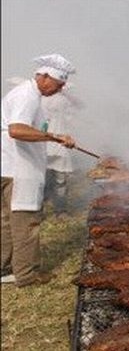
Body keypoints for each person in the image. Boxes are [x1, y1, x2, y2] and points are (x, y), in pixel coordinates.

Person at [1, 54, 77, 287]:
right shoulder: (28, 95)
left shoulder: (28, 94)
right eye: (59, 83)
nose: (62, 88)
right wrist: (54, 137)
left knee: (5, 221)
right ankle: (27, 275)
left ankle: (4, 269)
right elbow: (17, 130)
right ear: (44, 77)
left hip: (8, 166)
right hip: (19, 169)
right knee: (27, 222)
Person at [42, 86, 83, 216]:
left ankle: (60, 211)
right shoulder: (40, 98)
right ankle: (50, 210)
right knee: (46, 180)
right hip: (44, 143)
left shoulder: (64, 100)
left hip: (60, 144)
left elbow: (79, 106)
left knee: (60, 180)